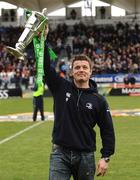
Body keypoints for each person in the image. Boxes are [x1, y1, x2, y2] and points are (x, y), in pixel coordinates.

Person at [44, 35, 115, 179]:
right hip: (60, 154)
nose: (81, 70)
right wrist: (42, 41)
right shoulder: (60, 87)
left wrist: (105, 157)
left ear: (90, 71)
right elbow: (45, 67)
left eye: (84, 67)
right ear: (71, 71)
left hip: (85, 156)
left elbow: (107, 130)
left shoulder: (99, 100)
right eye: (77, 67)